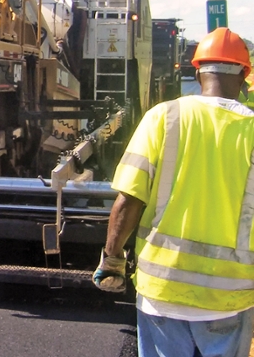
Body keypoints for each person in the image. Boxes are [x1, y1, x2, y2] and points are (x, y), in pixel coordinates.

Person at [93, 27, 254, 357]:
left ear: (197, 72)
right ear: (244, 76)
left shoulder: (162, 118)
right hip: (229, 295)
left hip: (160, 291)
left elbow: (129, 200)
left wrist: (111, 259)